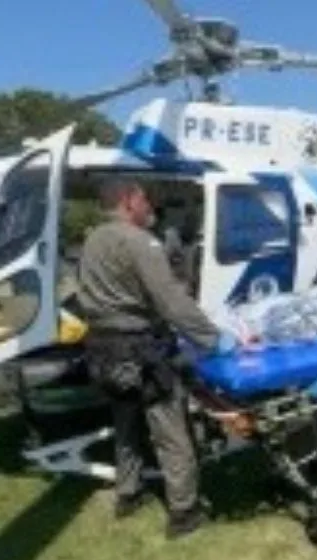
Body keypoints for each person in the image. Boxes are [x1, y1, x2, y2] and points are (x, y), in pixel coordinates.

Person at [76, 179, 237, 539]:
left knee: (126, 423)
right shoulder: (141, 242)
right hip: (139, 350)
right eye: (145, 199)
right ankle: (184, 511)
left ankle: (128, 493)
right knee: (170, 430)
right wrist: (214, 339)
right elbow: (172, 303)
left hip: (102, 350)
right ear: (130, 199)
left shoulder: (92, 239)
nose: (150, 206)